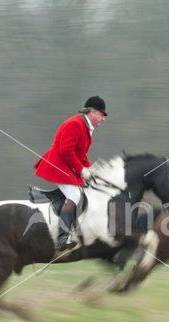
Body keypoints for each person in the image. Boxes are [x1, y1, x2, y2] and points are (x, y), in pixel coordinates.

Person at [34, 96, 107, 250]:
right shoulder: (75, 124)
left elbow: (80, 155)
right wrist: (82, 170)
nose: (103, 119)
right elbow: (66, 151)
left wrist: (89, 170)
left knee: (84, 192)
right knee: (74, 195)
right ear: (92, 113)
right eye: (101, 114)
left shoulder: (85, 127)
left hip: (66, 166)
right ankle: (62, 237)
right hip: (58, 166)